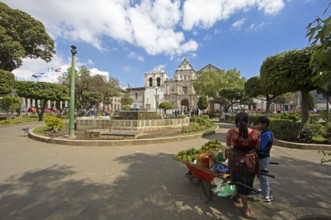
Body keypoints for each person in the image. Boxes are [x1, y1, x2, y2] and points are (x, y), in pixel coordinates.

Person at [226, 112, 260, 218]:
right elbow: (258, 147)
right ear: (248, 121)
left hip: (235, 160)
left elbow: (228, 144)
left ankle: (245, 207)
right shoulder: (255, 133)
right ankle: (240, 197)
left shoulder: (231, 132)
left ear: (236, 122)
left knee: (237, 179)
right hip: (250, 160)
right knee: (247, 181)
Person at [254, 116, 274, 204]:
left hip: (263, 158)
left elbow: (260, 147)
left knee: (263, 176)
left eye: (258, 124)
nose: (257, 126)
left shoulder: (266, 134)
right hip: (263, 157)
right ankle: (266, 191)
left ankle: (266, 196)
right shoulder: (266, 133)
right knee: (261, 175)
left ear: (264, 124)